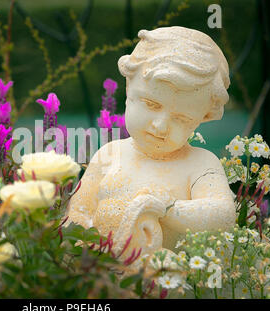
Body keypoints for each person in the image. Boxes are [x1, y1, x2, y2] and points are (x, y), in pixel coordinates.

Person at [66, 26, 236, 260]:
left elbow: (223, 215)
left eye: (181, 118)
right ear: (128, 90)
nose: (161, 126)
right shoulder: (109, 154)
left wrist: (168, 207)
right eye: (151, 104)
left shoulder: (200, 164)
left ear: (201, 119)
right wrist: (87, 245)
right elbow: (78, 212)